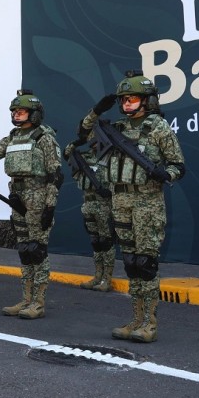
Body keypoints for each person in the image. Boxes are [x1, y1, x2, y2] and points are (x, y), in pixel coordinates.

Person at [79, 71, 185, 343]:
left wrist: (166, 175)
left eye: (133, 98)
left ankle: (149, 323)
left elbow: (178, 165)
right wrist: (97, 109)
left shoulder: (158, 128)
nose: (126, 104)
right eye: (123, 100)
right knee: (130, 262)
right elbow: (83, 131)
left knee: (145, 262)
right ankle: (135, 319)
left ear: (147, 100)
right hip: (120, 201)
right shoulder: (117, 130)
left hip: (147, 202)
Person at [0, 90, 62, 320]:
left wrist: (49, 206)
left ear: (35, 114)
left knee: (37, 250)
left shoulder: (44, 138)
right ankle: (26, 299)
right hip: (17, 196)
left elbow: (55, 175)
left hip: (38, 197)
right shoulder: (12, 137)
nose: (16, 115)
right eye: (14, 111)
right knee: (24, 250)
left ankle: (38, 303)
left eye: (21, 111)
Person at [63, 131, 115, 292]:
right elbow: (67, 153)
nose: (93, 144)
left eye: (96, 141)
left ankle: (107, 279)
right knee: (96, 242)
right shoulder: (84, 157)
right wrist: (78, 141)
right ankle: (97, 276)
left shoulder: (110, 158)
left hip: (104, 205)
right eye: (90, 142)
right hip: (88, 204)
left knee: (106, 242)